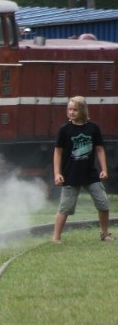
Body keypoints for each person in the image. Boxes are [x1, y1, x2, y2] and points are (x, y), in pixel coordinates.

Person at [51, 95, 112, 243]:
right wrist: (57, 173)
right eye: (69, 109)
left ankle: (104, 234)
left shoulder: (93, 128)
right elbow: (58, 152)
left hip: (90, 174)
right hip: (70, 174)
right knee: (65, 208)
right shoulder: (64, 129)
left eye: (75, 110)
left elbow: (99, 149)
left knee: (103, 203)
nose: (71, 112)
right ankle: (56, 237)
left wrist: (104, 169)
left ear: (83, 111)